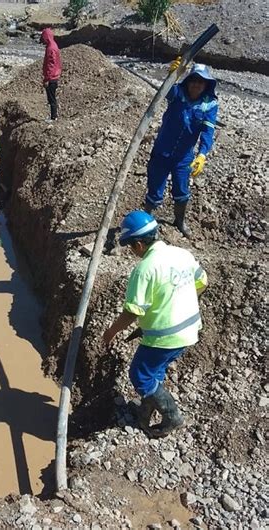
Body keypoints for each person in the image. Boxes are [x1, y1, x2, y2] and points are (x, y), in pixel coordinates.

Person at [103, 210, 208, 437]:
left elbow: (132, 312)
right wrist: (179, 303)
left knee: (140, 375)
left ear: (139, 243)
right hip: (190, 330)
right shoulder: (182, 254)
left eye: (131, 246)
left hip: (165, 337)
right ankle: (145, 412)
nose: (132, 251)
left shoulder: (144, 269)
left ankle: (172, 416)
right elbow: (201, 282)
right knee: (155, 371)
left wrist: (110, 333)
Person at [145, 60, 219, 238]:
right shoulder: (177, 93)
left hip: (183, 157)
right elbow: (165, 90)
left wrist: (202, 155)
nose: (196, 85)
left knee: (182, 191)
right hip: (162, 151)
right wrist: (173, 74)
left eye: (200, 82)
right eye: (193, 80)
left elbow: (207, 132)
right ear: (188, 81)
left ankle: (179, 220)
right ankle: (147, 222)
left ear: (206, 84)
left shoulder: (209, 104)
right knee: (155, 190)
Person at [40, 28, 62, 122]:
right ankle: (53, 115)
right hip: (54, 76)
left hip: (51, 78)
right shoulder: (53, 45)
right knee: (52, 97)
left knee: (51, 98)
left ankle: (53, 117)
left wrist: (47, 79)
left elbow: (50, 65)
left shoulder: (50, 48)